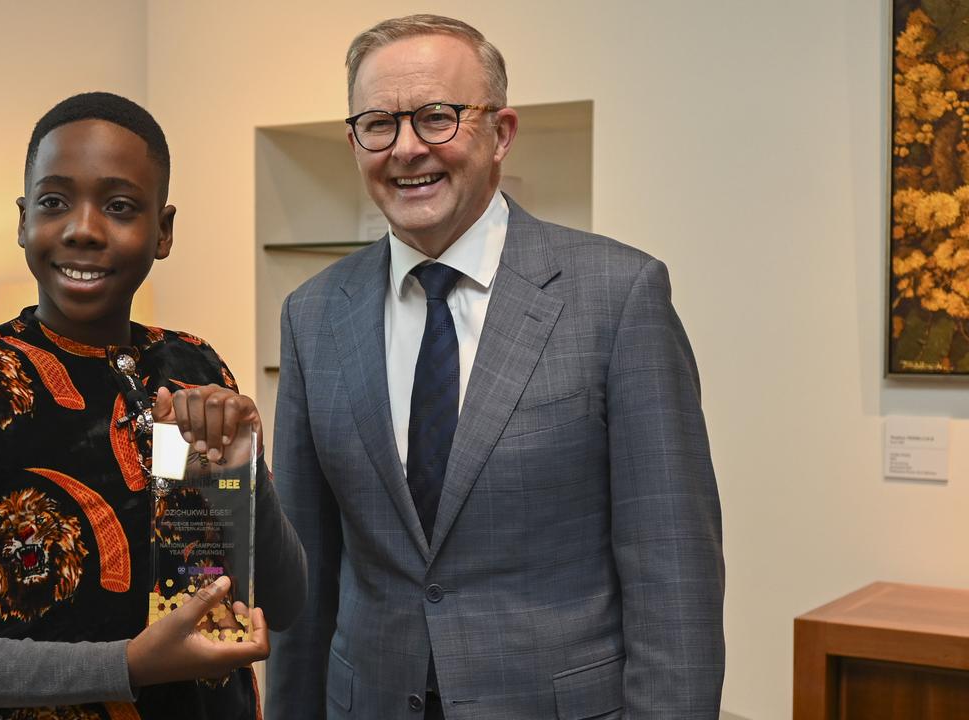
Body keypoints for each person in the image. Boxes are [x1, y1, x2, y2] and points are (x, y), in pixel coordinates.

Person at [265, 15, 724, 720]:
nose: (407, 148)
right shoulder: (312, 314)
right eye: (378, 124)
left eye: (437, 118)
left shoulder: (617, 296)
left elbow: (673, 575)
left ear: (501, 132)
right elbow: (305, 573)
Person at [0, 92, 307, 720]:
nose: (83, 228)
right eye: (54, 201)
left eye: (119, 206)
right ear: (23, 220)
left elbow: (282, 600)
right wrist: (129, 667)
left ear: (163, 230)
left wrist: (242, 464)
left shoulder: (195, 366)